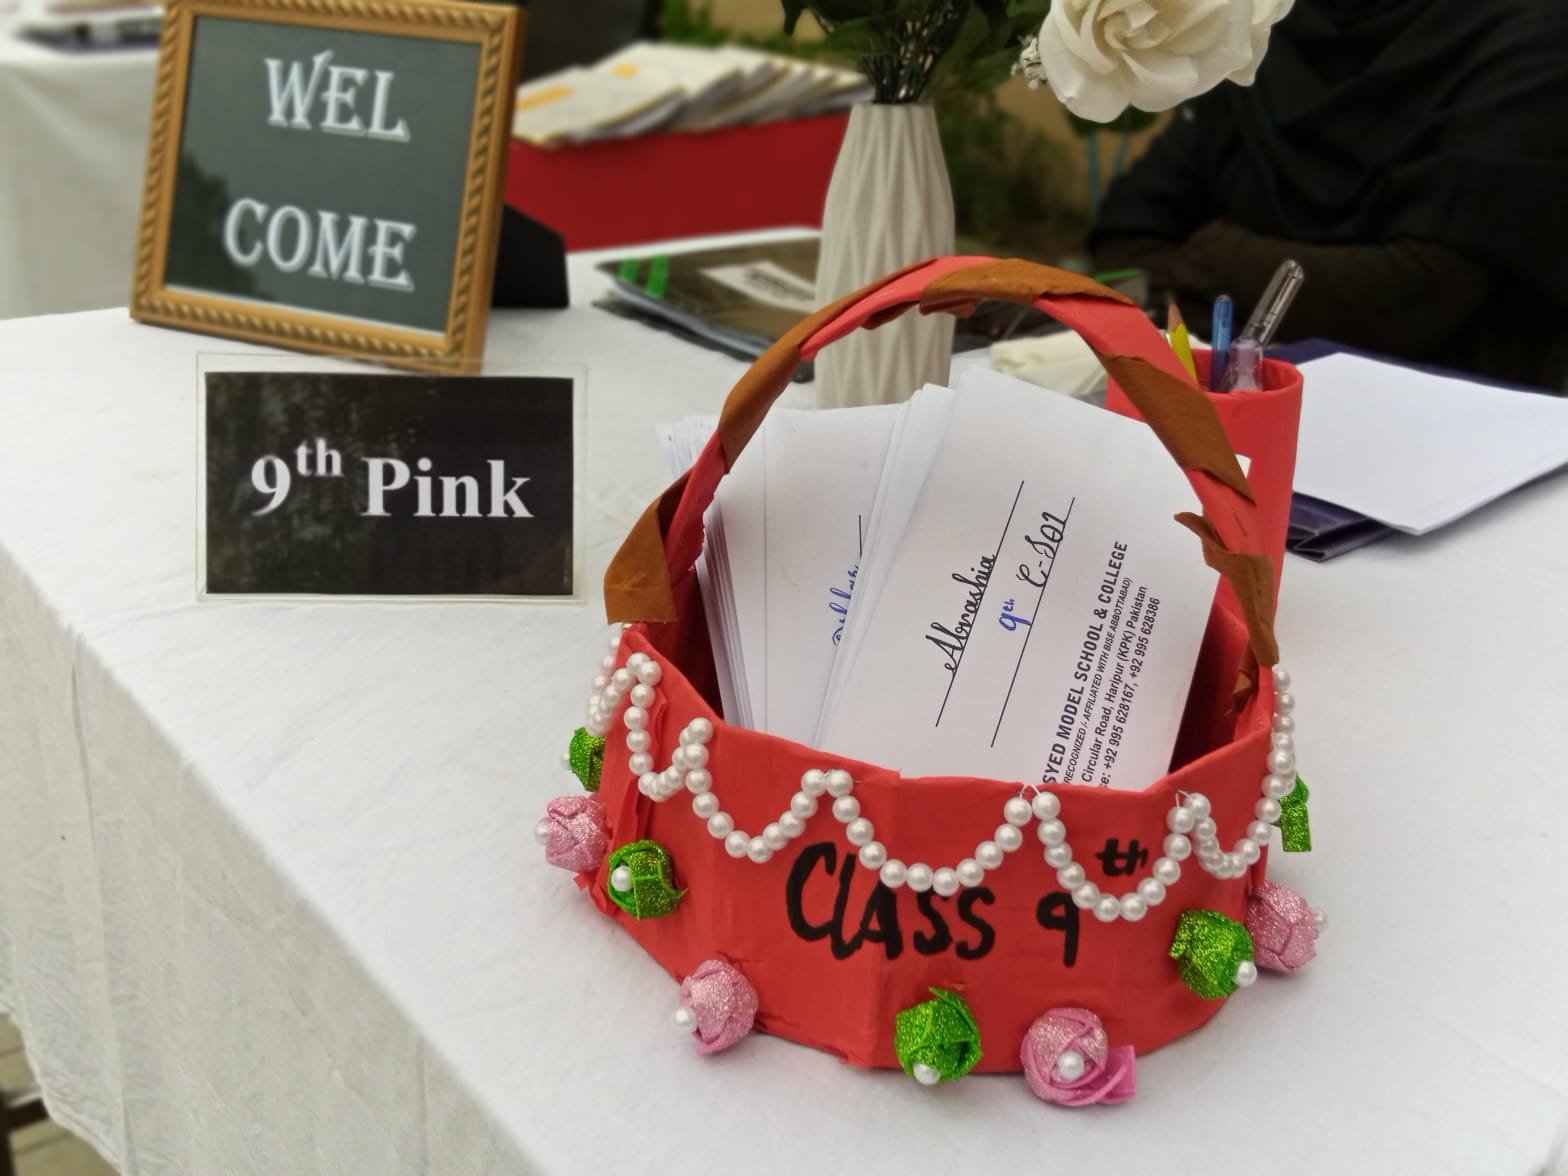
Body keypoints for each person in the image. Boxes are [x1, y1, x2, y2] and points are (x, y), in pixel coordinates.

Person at [1090, 0, 1568, 391]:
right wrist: (1202, 336)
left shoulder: (1528, 34)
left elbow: (1418, 292)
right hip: (1223, 418)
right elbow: (1128, 233)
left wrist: (1212, 263)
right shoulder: (1267, 29)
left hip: (1450, 431)